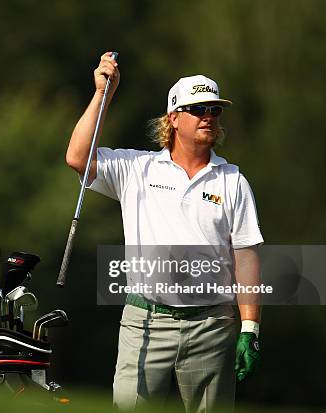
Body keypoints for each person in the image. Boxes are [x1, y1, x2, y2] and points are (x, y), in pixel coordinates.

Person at [66, 52, 262, 411]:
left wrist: (250, 328)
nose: (208, 117)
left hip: (212, 324)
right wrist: (102, 94)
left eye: (214, 110)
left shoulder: (233, 180)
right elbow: (78, 157)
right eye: (198, 109)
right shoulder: (137, 169)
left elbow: (245, 255)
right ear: (173, 118)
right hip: (145, 321)